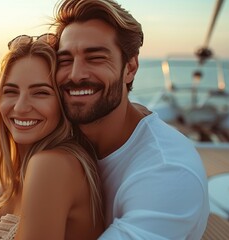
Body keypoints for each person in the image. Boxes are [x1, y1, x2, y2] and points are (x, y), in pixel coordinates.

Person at [52, 0, 210, 239]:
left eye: (95, 58)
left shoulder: (168, 173)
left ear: (130, 68)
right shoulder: (64, 139)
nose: (75, 74)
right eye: (65, 61)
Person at [0, 34, 104, 240]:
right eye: (10, 92)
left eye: (40, 93)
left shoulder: (51, 165)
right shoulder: (17, 175)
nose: (21, 107)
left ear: (62, 103)